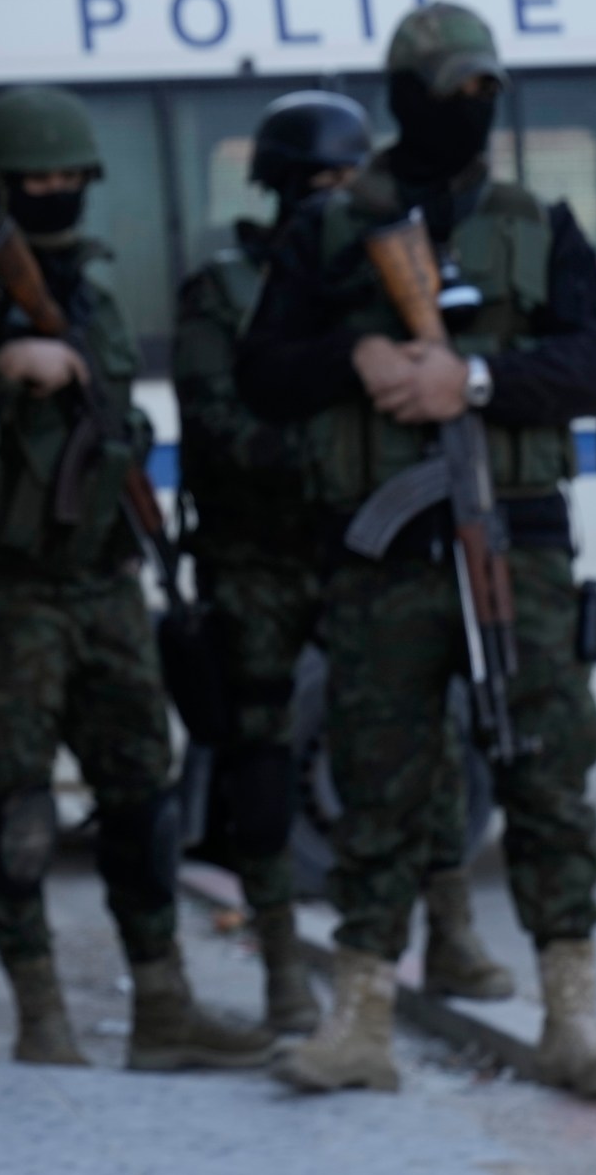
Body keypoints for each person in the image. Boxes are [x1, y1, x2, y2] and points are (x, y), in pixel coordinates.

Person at [238, 3, 596, 1097]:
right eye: (450, 91)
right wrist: (358, 350)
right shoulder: (329, 232)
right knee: (377, 783)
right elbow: (260, 372)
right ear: (404, 96)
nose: (470, 110)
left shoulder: (536, 224)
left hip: (515, 544)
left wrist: (467, 381)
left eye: (484, 93)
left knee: (546, 772)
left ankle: (572, 1014)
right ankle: (358, 1021)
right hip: (384, 555)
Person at [172, 92, 517, 1036]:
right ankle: (285, 964)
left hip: (365, 544)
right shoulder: (228, 288)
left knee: (426, 735)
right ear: (279, 188)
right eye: (316, 183)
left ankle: (450, 928)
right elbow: (220, 424)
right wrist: (327, 439)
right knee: (263, 763)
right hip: (258, 560)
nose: (333, 197)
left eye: (344, 181)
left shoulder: (373, 271)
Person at [0, 86, 274, 1072]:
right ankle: (38, 1011)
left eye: (65, 179)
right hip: (11, 592)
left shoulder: (89, 293)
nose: (52, 195)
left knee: (142, 799)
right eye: (33, 181)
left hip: (103, 584)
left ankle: (162, 1006)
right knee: (14, 812)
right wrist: (0, 361)